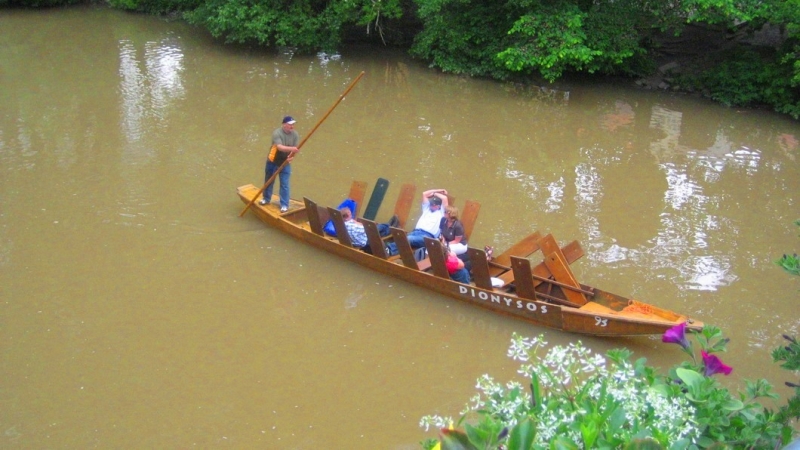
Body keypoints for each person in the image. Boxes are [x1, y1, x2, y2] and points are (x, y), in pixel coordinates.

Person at [260, 116, 300, 213]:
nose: (292, 126)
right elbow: (280, 147)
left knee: (285, 184)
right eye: (290, 124)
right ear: (284, 125)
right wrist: (292, 150)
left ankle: (284, 205)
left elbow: (294, 149)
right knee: (269, 181)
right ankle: (266, 198)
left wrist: (291, 157)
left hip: (285, 162)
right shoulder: (277, 133)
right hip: (273, 161)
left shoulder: (295, 135)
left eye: (293, 124)